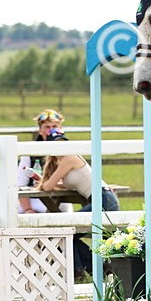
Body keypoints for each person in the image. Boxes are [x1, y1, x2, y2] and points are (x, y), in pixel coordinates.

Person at [38, 128, 119, 278]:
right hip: (101, 198)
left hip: (102, 199)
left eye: (63, 143)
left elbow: (48, 187)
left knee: (67, 231)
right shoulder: (67, 161)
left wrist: (43, 183)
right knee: (70, 233)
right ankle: (97, 268)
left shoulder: (69, 158)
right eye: (56, 144)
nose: (61, 147)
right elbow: (65, 185)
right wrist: (47, 183)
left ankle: (80, 269)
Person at [18, 110, 64, 214]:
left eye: (54, 126)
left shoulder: (69, 150)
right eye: (47, 127)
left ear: (60, 129)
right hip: (34, 201)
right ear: (40, 130)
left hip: (61, 199)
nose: (51, 130)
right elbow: (20, 184)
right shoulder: (29, 152)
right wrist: (28, 209)